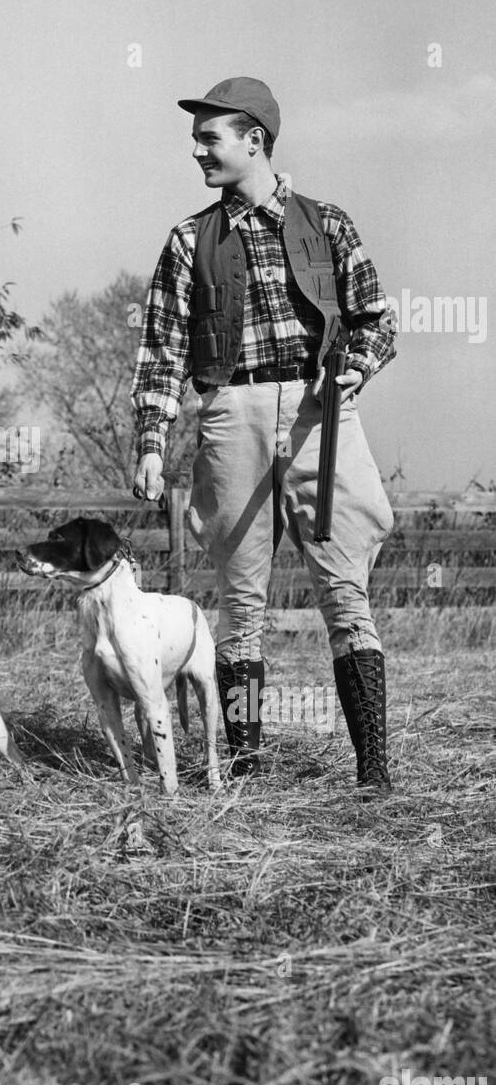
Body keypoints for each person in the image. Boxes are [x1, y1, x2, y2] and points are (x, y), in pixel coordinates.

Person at [131, 78, 396, 792]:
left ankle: (372, 773)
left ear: (254, 140)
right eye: (196, 140)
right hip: (230, 415)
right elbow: (159, 350)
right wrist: (151, 442)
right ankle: (243, 770)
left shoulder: (326, 223)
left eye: (208, 138)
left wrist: (354, 370)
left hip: (321, 415)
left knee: (345, 594)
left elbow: (376, 320)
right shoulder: (188, 239)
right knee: (239, 604)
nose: (196, 151)